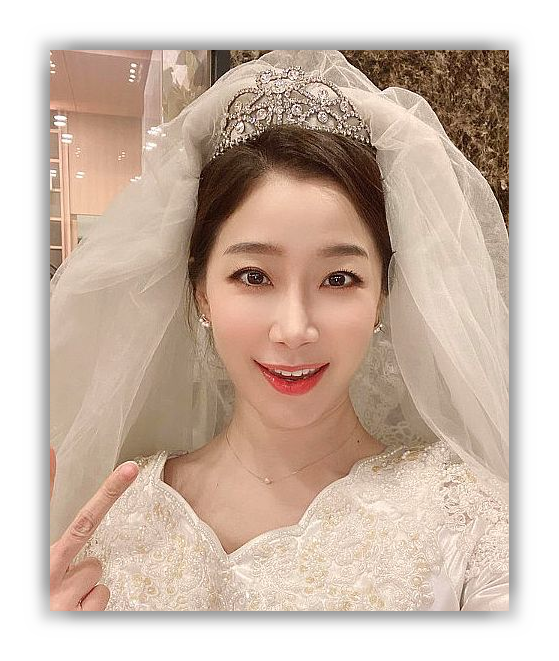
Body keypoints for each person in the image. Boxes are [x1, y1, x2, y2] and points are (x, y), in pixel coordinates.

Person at [50, 50, 509, 611]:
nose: (294, 329)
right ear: (202, 292)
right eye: (253, 276)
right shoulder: (111, 519)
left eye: (339, 278)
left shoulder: (469, 522)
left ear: (381, 297)